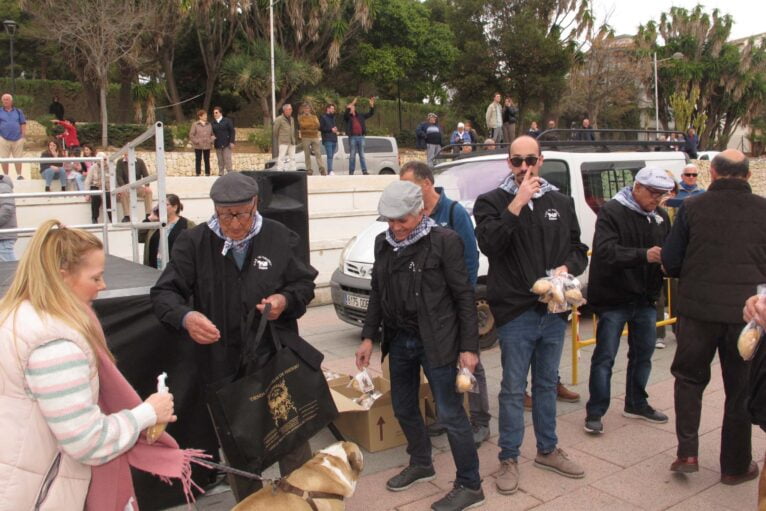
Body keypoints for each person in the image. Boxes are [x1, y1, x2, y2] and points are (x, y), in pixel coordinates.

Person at [0, 220, 200, 510]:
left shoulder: (19, 316)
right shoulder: (55, 345)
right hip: (40, 491)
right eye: (95, 278)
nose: (103, 286)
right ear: (62, 277)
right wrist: (147, 413)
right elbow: (88, 442)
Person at [150, 172, 320, 502]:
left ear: (255, 204)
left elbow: (304, 285)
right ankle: (249, 506)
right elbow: (163, 293)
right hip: (220, 364)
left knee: (294, 443)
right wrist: (186, 317)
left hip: (273, 358)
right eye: (225, 215)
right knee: (238, 452)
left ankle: (302, 504)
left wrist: (283, 301)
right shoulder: (194, 241)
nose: (235, 223)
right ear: (214, 209)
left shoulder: (279, 236)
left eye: (242, 213)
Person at [355, 180, 484, 511]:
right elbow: (378, 293)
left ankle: (470, 484)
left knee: (451, 413)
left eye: (403, 220)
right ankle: (421, 462)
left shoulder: (445, 242)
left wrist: (469, 347)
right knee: (403, 406)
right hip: (399, 339)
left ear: (421, 212)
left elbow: (464, 296)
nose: (395, 228)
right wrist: (369, 336)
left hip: (438, 340)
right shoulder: (383, 244)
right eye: (390, 221)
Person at [474, 135, 589, 494]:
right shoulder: (491, 202)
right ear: (508, 163)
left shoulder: (560, 200)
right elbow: (490, 244)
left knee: (545, 385)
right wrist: (518, 204)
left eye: (530, 161)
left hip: (553, 310)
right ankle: (509, 457)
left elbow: (579, 249)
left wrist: (565, 266)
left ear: (540, 161)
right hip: (515, 312)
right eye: (516, 161)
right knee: (512, 389)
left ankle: (547, 449)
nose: (524, 168)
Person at [662, 149, 766, 484]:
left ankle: (687, 452)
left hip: (697, 311)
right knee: (740, 388)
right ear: (748, 176)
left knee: (689, 379)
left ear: (713, 175)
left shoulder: (692, 208)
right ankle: (735, 467)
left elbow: (671, 261)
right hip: (747, 316)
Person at [399, 162, 490, 446]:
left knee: (470, 360)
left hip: (454, 304)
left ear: (426, 183)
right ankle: (446, 413)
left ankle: (480, 419)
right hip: (428, 310)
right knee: (438, 361)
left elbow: (470, 259)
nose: (404, 191)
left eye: (408, 184)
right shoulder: (412, 214)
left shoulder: (453, 212)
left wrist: (463, 296)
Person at [583, 167, 674, 435]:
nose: (657, 199)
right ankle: (595, 411)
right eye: (653, 193)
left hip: (645, 298)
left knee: (643, 354)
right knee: (605, 357)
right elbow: (605, 251)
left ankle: (636, 402)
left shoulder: (659, 216)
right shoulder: (612, 210)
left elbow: (666, 250)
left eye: (661, 194)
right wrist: (644, 255)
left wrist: (669, 263)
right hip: (614, 298)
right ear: (637, 187)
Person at [140, 194, 195, 269]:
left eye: (165, 205)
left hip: (177, 271)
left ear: (175, 207)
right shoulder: (156, 225)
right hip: (154, 270)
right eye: (159, 205)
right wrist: (149, 219)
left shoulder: (187, 224)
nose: (160, 207)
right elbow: (139, 237)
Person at [116, 154, 154, 222]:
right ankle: (127, 216)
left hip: (137, 186)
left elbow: (146, 175)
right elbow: (119, 176)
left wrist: (147, 186)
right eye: (125, 155)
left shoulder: (140, 161)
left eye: (128, 154)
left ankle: (148, 215)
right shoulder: (120, 162)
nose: (127, 156)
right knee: (123, 193)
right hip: (126, 186)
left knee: (148, 192)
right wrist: (123, 186)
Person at [343, 96, 375, 175]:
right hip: (353, 137)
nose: (352, 107)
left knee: (362, 155)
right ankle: (351, 172)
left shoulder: (360, 115)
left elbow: (370, 114)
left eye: (353, 107)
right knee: (352, 156)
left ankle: (364, 171)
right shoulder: (348, 117)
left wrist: (371, 106)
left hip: (361, 137)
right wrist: (352, 103)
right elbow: (346, 114)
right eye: (350, 107)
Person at [0, 93, 26, 179]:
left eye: (7, 99)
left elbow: (23, 123)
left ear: (11, 101)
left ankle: (19, 175)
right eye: (4, 100)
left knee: (18, 158)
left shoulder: (18, 111)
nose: (5, 101)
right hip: (3, 138)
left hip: (18, 138)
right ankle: (6, 176)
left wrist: (22, 136)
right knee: (4, 158)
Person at [83, 151, 112, 224]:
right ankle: (94, 218)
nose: (104, 161)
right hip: (96, 186)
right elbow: (87, 181)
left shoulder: (110, 167)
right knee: (95, 197)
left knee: (108, 197)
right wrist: (87, 193)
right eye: (102, 159)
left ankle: (112, 218)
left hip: (107, 187)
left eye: (105, 159)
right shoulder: (93, 168)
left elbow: (114, 179)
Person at [298, 103, 326, 176]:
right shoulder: (301, 117)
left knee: (318, 153)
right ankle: (309, 170)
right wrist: (311, 125)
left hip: (314, 136)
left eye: (308, 108)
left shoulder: (314, 117)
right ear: (303, 110)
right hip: (305, 137)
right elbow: (302, 125)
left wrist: (308, 126)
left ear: (310, 109)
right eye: (305, 108)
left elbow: (318, 125)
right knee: (307, 154)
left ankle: (322, 169)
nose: (307, 110)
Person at [211, 106, 236, 175]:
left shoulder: (227, 121)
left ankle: (230, 173)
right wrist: (212, 137)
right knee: (220, 160)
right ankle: (221, 173)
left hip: (227, 143)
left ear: (220, 113)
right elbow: (211, 133)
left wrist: (232, 142)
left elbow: (232, 131)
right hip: (217, 144)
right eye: (214, 113)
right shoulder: (212, 123)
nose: (215, 114)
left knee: (227, 158)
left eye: (216, 112)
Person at [190, 109, 214, 176]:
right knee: (198, 159)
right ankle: (198, 173)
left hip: (207, 145)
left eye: (206, 115)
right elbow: (191, 135)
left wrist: (211, 140)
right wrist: (197, 141)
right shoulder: (195, 124)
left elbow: (213, 134)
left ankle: (207, 173)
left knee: (207, 159)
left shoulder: (209, 124)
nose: (206, 116)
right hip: (198, 146)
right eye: (204, 115)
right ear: (200, 116)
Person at [273, 103, 297, 172]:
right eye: (289, 109)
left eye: (291, 109)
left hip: (292, 141)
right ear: (285, 110)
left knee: (292, 157)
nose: (291, 110)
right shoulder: (279, 119)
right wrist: (281, 137)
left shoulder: (292, 119)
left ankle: (292, 170)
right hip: (283, 141)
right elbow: (275, 131)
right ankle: (280, 170)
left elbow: (292, 130)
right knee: (281, 157)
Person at [0, 173, 17, 261]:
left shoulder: (3, 187)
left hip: (3, 237)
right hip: (3, 236)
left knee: (10, 270)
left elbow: (7, 209)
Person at [319, 104, 338, 176]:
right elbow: (321, 128)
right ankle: (330, 170)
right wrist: (331, 129)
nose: (333, 110)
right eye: (332, 108)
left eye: (333, 109)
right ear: (328, 109)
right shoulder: (323, 117)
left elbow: (333, 128)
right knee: (329, 156)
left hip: (334, 139)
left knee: (331, 156)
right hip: (327, 139)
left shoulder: (333, 118)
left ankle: (330, 170)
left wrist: (335, 130)